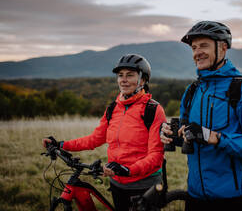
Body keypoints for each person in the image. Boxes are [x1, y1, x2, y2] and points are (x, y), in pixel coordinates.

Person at [160, 21, 242, 211]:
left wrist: (216, 137)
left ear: (223, 47)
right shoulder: (192, 91)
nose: (197, 52)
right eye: (194, 48)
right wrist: (174, 135)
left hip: (233, 199)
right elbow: (191, 137)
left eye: (203, 45)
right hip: (195, 197)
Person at [43, 54, 166, 211]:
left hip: (144, 185)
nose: (123, 80)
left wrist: (129, 170)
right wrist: (61, 144)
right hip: (116, 183)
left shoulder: (153, 110)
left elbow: (156, 156)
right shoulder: (113, 108)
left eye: (130, 75)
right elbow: (94, 139)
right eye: (120, 75)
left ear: (142, 80)